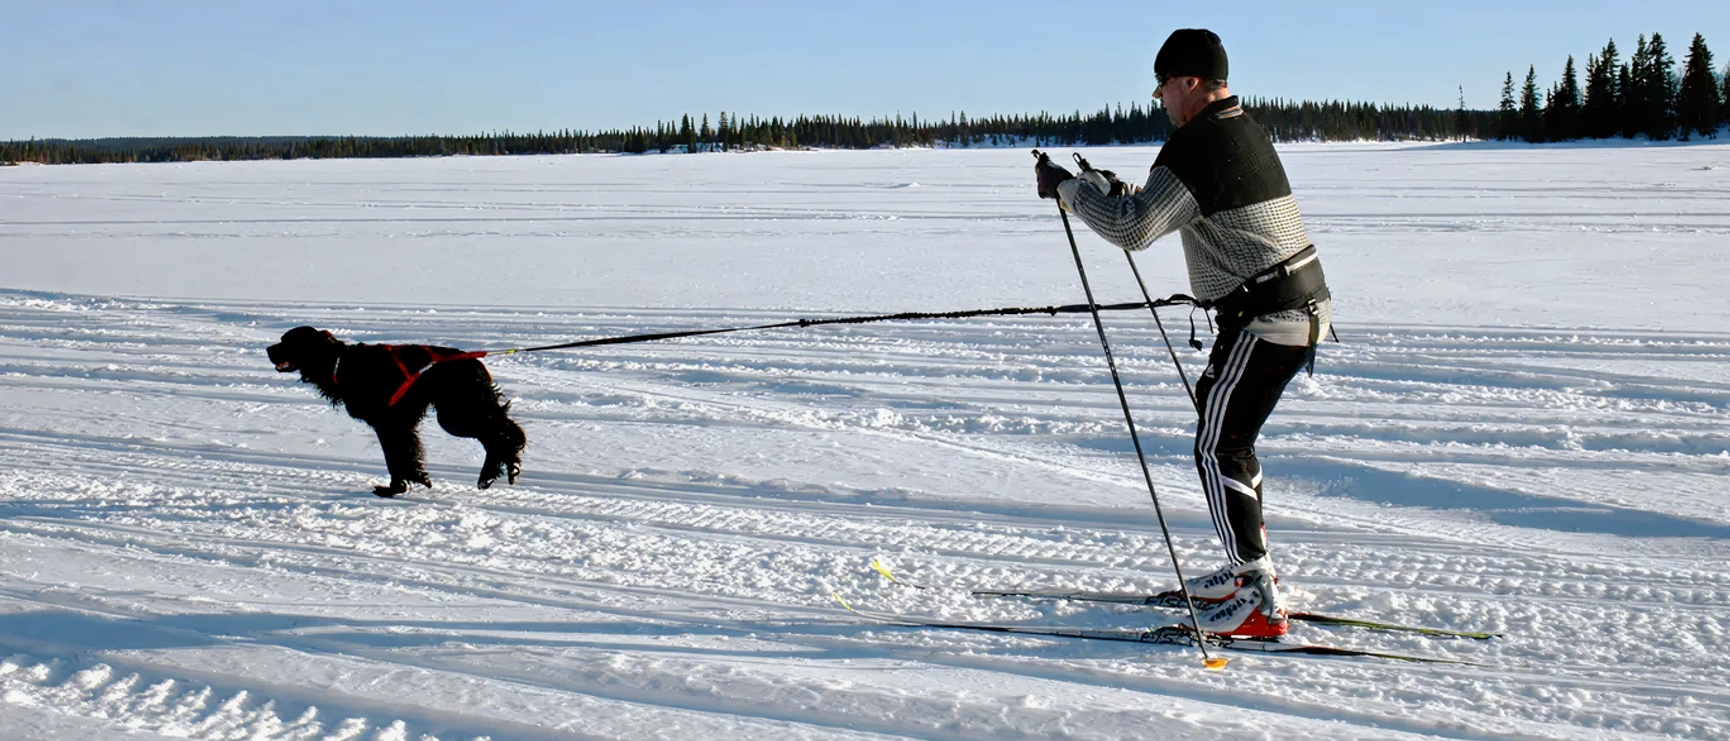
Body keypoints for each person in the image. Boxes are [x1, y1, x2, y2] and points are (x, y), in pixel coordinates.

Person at [1033, 28, 1332, 638]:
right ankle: (1247, 569)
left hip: (1266, 317)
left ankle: (1253, 593)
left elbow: (1134, 233)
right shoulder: (1237, 128)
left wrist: (1068, 191)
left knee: (1218, 445)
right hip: (1292, 309)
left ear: (1188, 82)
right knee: (1227, 435)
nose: (1160, 99)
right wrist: (1113, 191)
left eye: (1162, 86)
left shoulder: (1196, 142)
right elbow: (1171, 206)